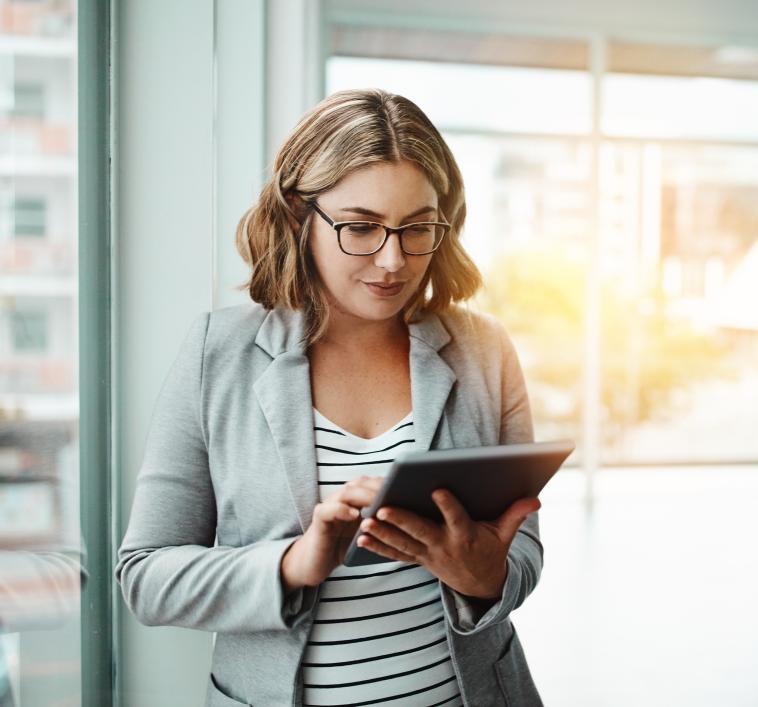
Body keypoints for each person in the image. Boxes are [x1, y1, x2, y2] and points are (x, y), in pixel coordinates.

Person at [114, 88, 545, 707]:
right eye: (361, 227)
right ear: (297, 215)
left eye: (417, 228)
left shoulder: (483, 349)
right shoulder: (218, 353)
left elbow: (522, 543)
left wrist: (488, 576)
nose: (392, 261)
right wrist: (293, 562)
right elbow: (146, 578)